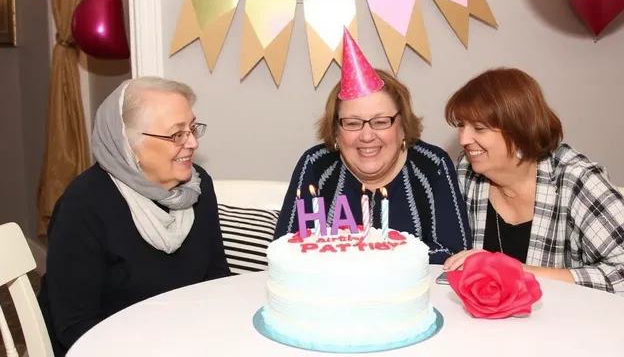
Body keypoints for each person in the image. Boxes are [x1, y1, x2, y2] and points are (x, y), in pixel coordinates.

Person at [38, 77, 231, 356]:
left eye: (192, 128)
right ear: (129, 144)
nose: (192, 143)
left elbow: (216, 276)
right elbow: (74, 324)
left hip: (184, 340)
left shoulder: (200, 188)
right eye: (177, 134)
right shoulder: (83, 204)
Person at [273, 29, 472, 264]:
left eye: (380, 122)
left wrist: (374, 256)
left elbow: (454, 255)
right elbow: (286, 252)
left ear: (402, 126)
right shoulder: (316, 167)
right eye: (352, 123)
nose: (367, 136)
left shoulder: (432, 166)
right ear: (336, 130)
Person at [443, 67, 624, 295]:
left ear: (518, 131)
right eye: (461, 125)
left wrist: (516, 270)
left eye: (479, 128)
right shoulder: (464, 173)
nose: (464, 139)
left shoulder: (576, 180)